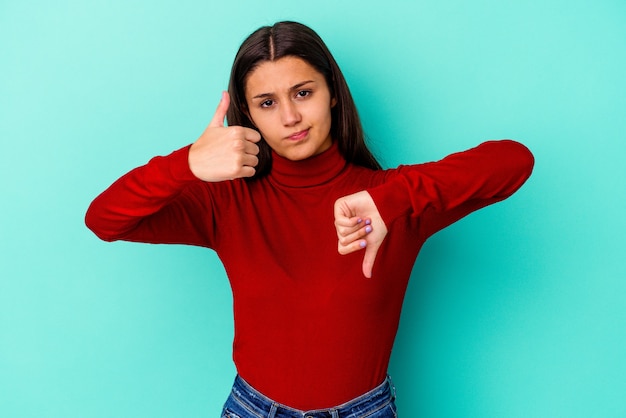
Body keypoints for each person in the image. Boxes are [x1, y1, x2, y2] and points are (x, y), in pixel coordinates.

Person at [85, 21, 534, 418]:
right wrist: (185, 164)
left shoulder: (389, 202)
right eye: (266, 103)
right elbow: (104, 219)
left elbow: (515, 161)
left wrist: (393, 199)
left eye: (303, 92)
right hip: (252, 408)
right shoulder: (226, 203)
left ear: (332, 93)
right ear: (247, 116)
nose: (290, 117)